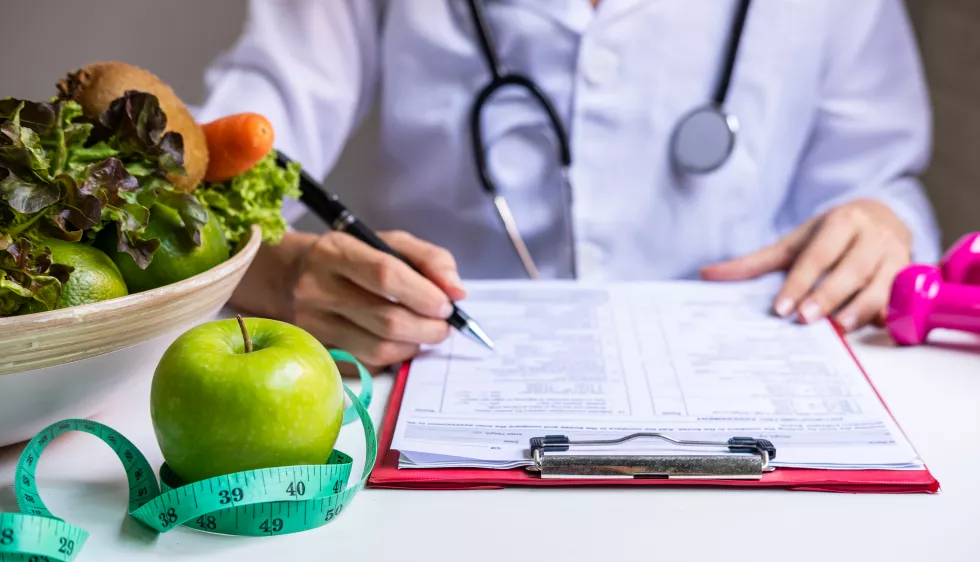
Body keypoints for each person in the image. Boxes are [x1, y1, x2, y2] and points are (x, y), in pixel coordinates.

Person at [195, 0, 941, 368]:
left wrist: (882, 221)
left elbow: (883, 182)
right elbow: (211, 164)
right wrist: (276, 272)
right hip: (431, 373)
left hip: (749, 389)